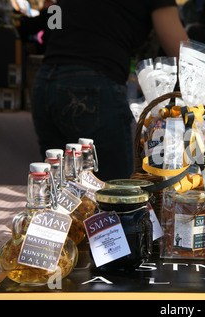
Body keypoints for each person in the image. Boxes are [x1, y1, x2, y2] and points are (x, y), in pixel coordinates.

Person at [31, 0, 188, 182]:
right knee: (115, 193)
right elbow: (179, 49)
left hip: (45, 80)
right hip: (91, 84)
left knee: (60, 188)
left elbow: (54, 19)